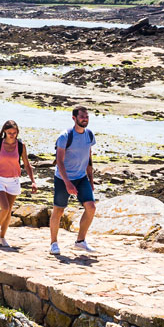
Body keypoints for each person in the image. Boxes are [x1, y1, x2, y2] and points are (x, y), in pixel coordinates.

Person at [50, 105, 98, 255]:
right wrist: (67, 183)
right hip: (63, 178)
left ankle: (80, 241)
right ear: (74, 118)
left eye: (87, 117)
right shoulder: (65, 136)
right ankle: (53, 243)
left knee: (91, 207)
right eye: (82, 116)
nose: (85, 119)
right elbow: (59, 161)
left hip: (81, 177)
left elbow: (89, 158)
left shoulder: (89, 135)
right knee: (58, 210)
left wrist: (91, 180)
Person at [0, 119, 37, 248]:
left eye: (14, 133)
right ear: (4, 131)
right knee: (4, 208)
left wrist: (33, 181)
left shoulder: (21, 146)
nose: (12, 135)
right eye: (9, 132)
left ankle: (3, 237)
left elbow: (26, 164)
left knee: (8, 211)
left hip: (14, 180)